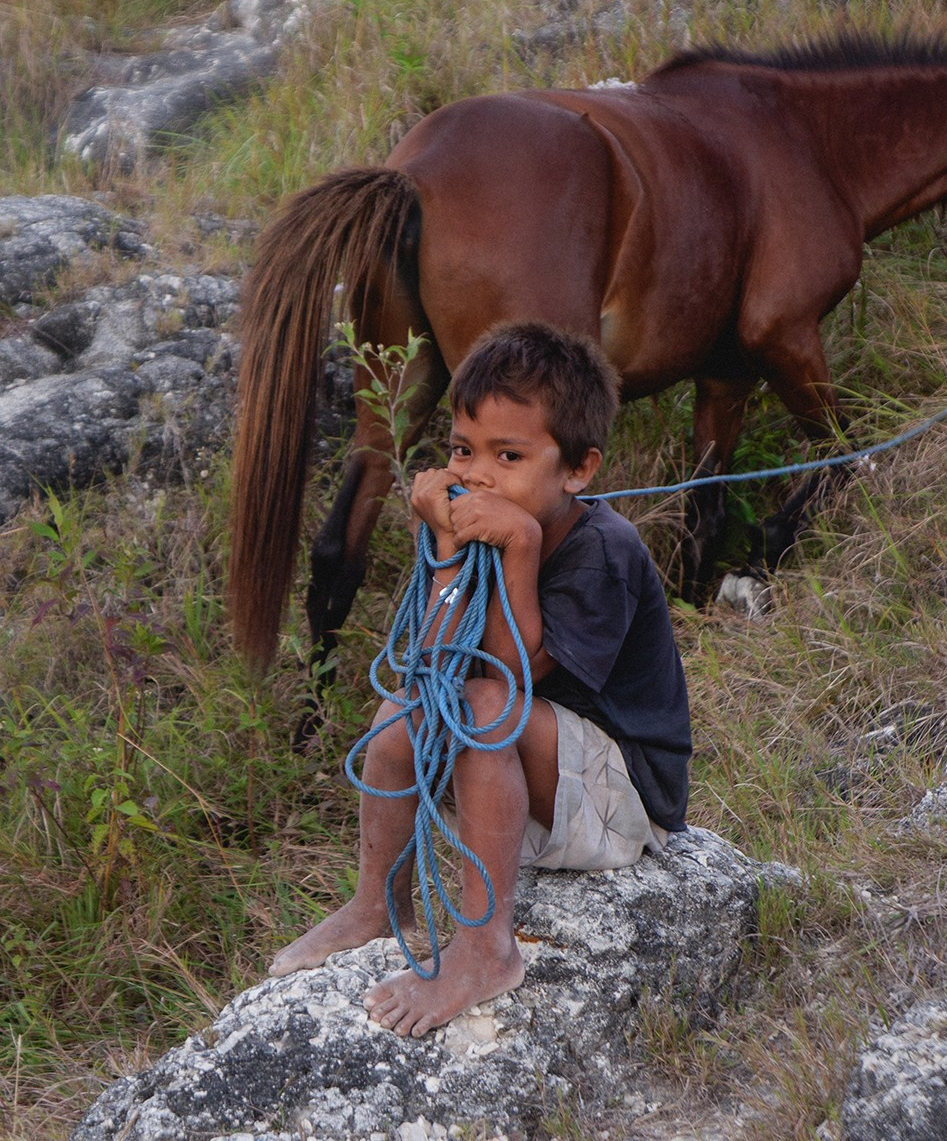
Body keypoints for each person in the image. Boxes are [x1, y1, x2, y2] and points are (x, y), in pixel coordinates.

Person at [268, 321, 692, 1037]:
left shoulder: (604, 552)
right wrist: (442, 546)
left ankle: (486, 948)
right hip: (537, 781)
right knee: (405, 708)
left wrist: (523, 547)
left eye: (510, 455)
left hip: (621, 802)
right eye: (463, 450)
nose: (478, 475)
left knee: (484, 701)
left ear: (578, 470)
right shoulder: (473, 539)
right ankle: (378, 903)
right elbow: (435, 668)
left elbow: (510, 670)